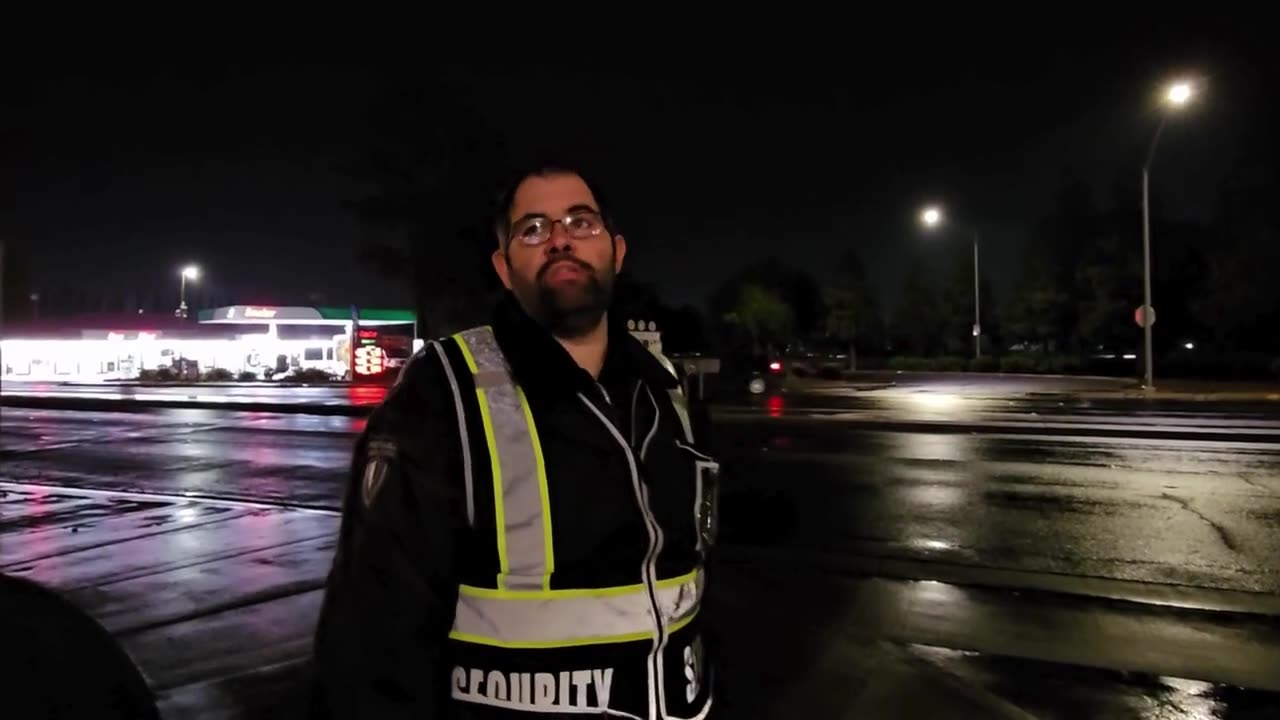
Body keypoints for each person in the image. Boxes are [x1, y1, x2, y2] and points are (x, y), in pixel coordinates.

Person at [310, 164, 720, 719]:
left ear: (616, 252)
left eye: (581, 222)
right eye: (533, 228)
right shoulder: (443, 392)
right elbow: (373, 642)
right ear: (505, 268)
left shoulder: (664, 390)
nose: (559, 238)